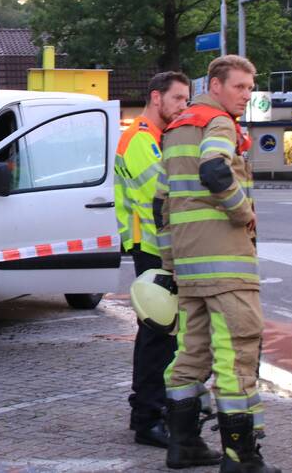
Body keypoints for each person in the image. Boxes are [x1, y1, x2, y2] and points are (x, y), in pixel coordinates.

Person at [155, 55, 280, 472]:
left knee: (190, 355)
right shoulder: (219, 122)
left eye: (250, 88)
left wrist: (172, 261)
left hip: (190, 267)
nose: (246, 96)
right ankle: (240, 458)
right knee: (237, 358)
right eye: (240, 87)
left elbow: (161, 204)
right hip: (227, 268)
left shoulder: (174, 130)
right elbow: (214, 170)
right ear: (216, 84)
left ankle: (184, 446)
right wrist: (244, 214)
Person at [115, 71, 190, 448]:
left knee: (159, 335)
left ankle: (146, 413)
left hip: (156, 247)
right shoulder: (143, 139)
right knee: (158, 338)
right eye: (178, 99)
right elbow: (166, 194)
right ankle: (147, 418)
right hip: (154, 249)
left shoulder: (150, 137)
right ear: (157, 98)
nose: (183, 107)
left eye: (187, 100)